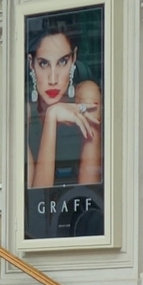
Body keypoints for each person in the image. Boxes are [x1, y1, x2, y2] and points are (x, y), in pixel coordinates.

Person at [25, 21, 104, 239]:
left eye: (62, 62)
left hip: (84, 228)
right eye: (43, 64)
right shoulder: (27, 114)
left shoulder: (86, 96)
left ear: (74, 59)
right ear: (31, 64)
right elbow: (37, 202)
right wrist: (51, 118)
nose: (53, 78)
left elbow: (88, 195)